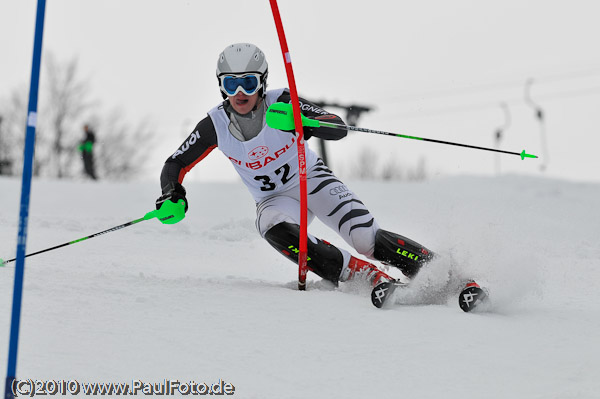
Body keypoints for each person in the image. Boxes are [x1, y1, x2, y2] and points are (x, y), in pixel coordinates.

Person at [155, 43, 433, 288]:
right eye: (230, 84)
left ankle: (438, 271)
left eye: (248, 83)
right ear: (220, 85)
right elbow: (175, 162)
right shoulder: (214, 125)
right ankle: (362, 274)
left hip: (313, 181)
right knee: (271, 226)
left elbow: (338, 127)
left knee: (364, 239)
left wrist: (302, 122)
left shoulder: (284, 101)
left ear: (262, 82)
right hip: (273, 199)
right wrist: (172, 193)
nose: (239, 93)